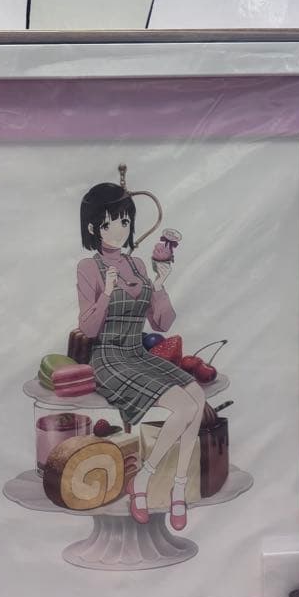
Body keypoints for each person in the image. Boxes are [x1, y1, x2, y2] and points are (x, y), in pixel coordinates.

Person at [77, 181, 204, 530]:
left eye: (124, 221)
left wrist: (159, 286)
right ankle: (145, 479)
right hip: (108, 358)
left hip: (136, 353)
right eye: (109, 223)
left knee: (196, 396)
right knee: (184, 407)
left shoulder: (137, 265)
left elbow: (161, 323)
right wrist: (106, 293)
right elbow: (88, 329)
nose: (119, 230)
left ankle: (178, 488)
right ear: (93, 228)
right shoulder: (88, 268)